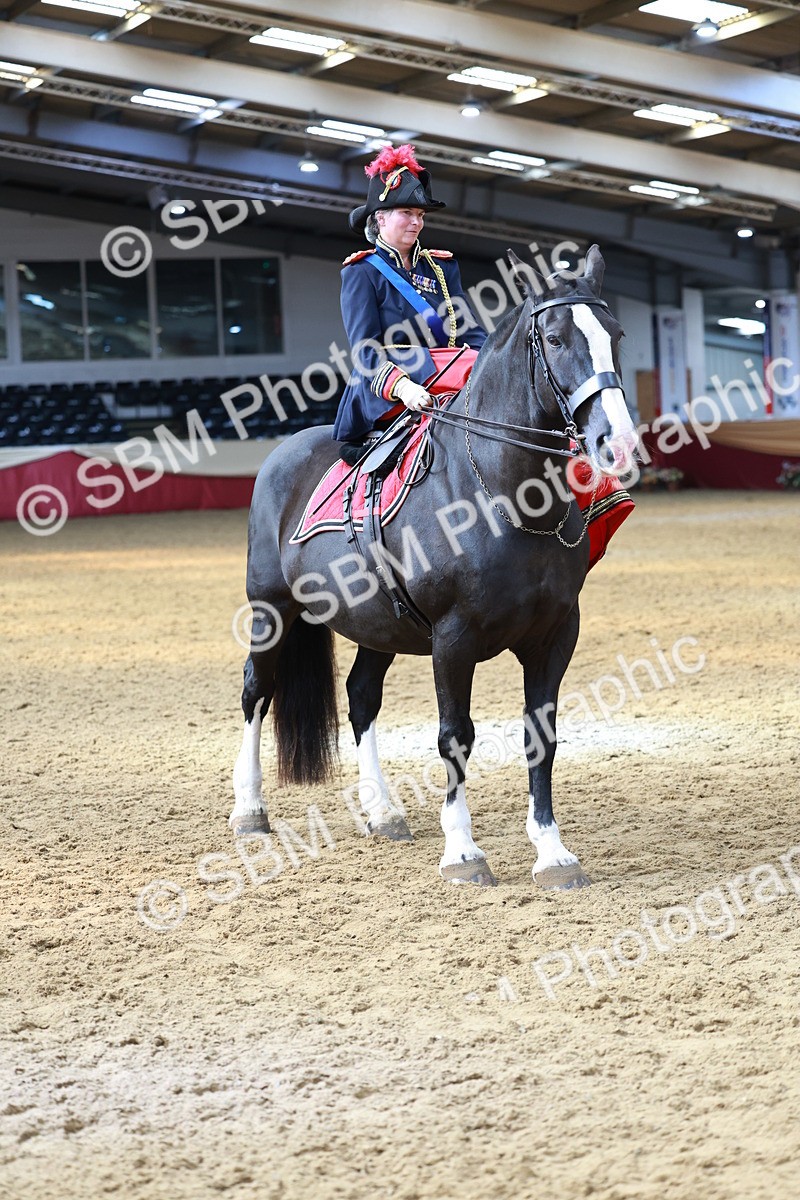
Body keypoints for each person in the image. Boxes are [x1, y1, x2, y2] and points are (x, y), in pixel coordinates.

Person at [333, 145, 487, 449]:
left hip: (449, 372)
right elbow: (365, 350)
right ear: (380, 219)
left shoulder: (442, 267)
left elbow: (471, 332)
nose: (416, 222)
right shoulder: (361, 272)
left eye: (419, 215)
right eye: (406, 213)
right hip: (391, 382)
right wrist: (401, 386)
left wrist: (494, 359)